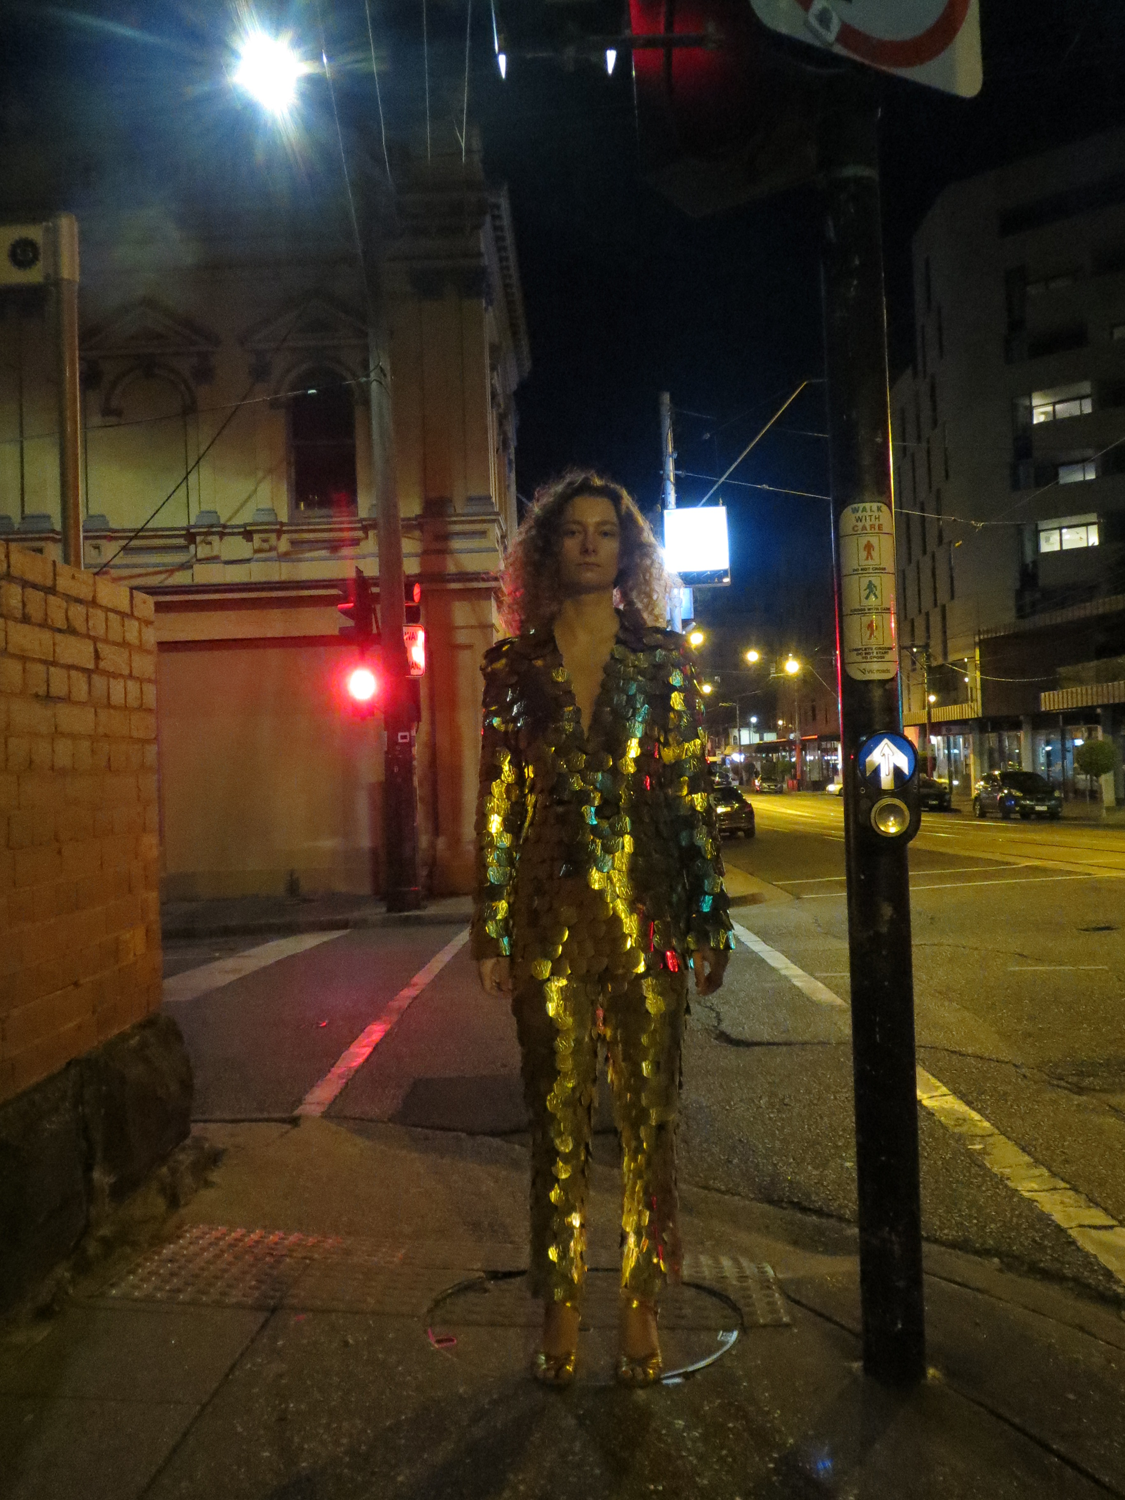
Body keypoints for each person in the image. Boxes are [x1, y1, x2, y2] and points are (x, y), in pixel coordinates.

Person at [472, 469, 732, 1387]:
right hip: (547, 923)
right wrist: (491, 929)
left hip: (649, 918)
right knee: (555, 1122)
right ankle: (558, 1302)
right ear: (547, 549)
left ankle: (639, 1302)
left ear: (626, 553)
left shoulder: (662, 660)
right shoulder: (511, 669)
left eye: (605, 531)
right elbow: (500, 803)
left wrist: (709, 918)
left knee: (649, 1123)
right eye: (573, 531)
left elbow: (689, 794)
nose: (589, 543)